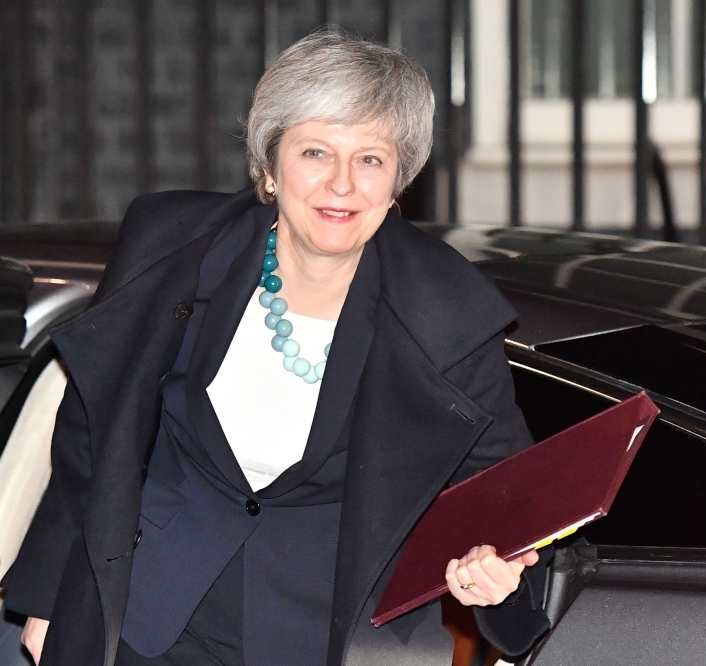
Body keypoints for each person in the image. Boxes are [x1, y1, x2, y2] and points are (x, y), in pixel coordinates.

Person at [1, 31, 551, 666]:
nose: (342, 184)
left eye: (370, 159)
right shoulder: (173, 246)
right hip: (143, 620)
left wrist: (500, 577)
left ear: (398, 179)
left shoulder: (449, 312)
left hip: (328, 641)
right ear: (270, 166)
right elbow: (91, 428)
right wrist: (49, 595)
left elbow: (513, 502)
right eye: (316, 152)